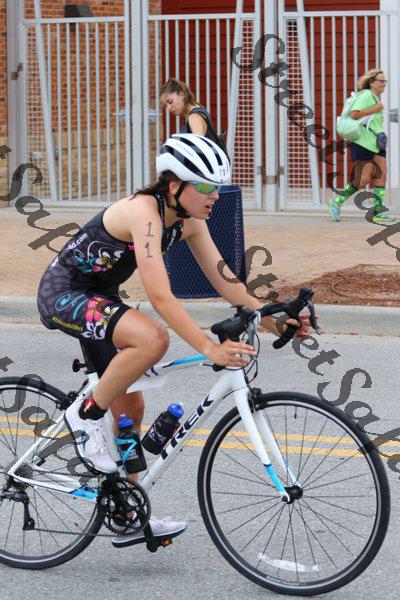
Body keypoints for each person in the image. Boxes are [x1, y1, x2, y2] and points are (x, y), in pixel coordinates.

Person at [37, 134, 312, 548]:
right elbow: (161, 297)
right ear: (174, 185)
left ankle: (126, 512)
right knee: (152, 339)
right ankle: (84, 416)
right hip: (64, 294)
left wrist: (271, 319)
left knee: (130, 409)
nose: (214, 196)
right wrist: (209, 347)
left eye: (217, 187)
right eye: (205, 186)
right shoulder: (143, 212)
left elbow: (225, 279)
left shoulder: (189, 221)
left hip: (101, 298)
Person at [329, 69, 396, 223]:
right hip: (363, 143)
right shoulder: (366, 95)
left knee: (382, 174)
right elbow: (354, 114)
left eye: (385, 81)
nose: (384, 84)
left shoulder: (374, 97)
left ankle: (377, 211)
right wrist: (375, 108)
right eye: (381, 81)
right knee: (362, 180)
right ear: (371, 82)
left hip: (376, 143)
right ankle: (336, 201)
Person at [160, 78, 227, 153]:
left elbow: (199, 150)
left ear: (182, 95)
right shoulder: (197, 112)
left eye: (170, 101)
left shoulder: (194, 117)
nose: (169, 107)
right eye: (166, 106)